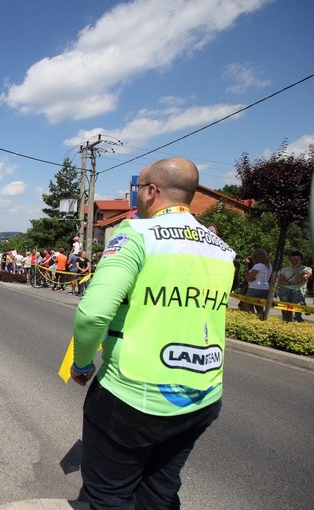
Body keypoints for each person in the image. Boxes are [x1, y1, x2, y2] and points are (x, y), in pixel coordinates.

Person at [70, 157, 236, 509]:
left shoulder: (137, 234)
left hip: (133, 393)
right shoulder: (222, 249)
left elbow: (92, 313)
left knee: (109, 496)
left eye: (136, 190)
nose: (135, 198)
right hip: (202, 394)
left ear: (151, 191)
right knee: (160, 491)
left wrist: (82, 365)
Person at [276, 250, 312, 322]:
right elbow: (280, 281)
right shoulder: (285, 269)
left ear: (301, 260)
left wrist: (296, 268)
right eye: (292, 259)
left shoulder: (306, 269)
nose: (293, 261)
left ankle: (298, 322)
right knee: (286, 311)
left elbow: (300, 280)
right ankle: (287, 322)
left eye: (296, 260)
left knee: (298, 311)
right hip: (285, 291)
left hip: (298, 291)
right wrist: (292, 282)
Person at [238, 248, 271, 317]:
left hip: (255, 288)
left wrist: (246, 267)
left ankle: (253, 318)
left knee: (246, 303)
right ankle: (261, 320)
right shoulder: (269, 265)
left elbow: (248, 279)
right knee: (259, 306)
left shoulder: (258, 266)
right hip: (265, 288)